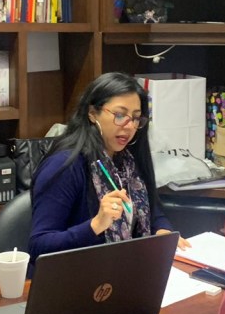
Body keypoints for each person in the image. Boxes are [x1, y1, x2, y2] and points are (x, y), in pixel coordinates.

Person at [28, 72, 184, 263]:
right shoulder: (65, 165)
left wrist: (163, 232)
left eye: (136, 118)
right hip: (77, 273)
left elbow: (154, 211)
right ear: (92, 113)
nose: (129, 126)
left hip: (127, 268)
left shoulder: (129, 159)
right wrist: (95, 225)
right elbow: (39, 246)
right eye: (120, 115)